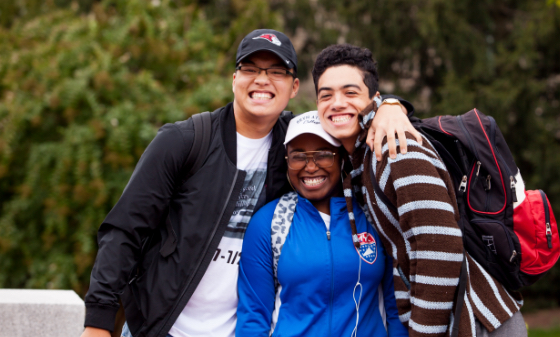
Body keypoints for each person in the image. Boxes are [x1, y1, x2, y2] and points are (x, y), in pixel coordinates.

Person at [81, 30, 418, 337]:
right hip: (161, 328)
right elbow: (124, 231)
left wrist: (390, 105)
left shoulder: (296, 145)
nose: (262, 80)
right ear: (234, 79)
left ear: (294, 87)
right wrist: (98, 322)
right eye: (251, 69)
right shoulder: (184, 142)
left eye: (276, 71)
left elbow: (348, 120)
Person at [314, 44, 528, 337]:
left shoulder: (395, 146)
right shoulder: (363, 158)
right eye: (326, 95)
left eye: (350, 93)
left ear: (373, 99)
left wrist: (424, 333)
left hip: (475, 321)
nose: (336, 103)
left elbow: (440, 245)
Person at [235, 111, 408, 337]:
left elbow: (396, 309)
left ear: (342, 158)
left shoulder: (373, 214)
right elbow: (253, 316)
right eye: (298, 156)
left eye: (323, 154)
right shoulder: (268, 222)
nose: (310, 166)